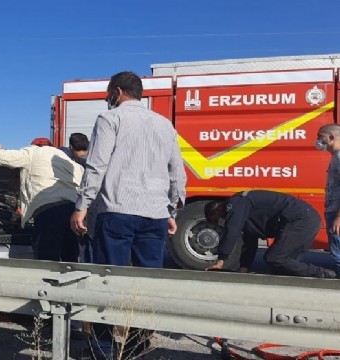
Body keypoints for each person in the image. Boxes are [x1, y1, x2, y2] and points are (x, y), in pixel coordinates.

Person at [69, 71, 187, 360]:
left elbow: (97, 165)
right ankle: (137, 344)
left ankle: (104, 349)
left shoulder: (110, 119)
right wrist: (171, 209)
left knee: (109, 279)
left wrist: (82, 205)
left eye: (110, 93)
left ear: (118, 91)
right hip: (155, 215)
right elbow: (177, 172)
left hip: (118, 211)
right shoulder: (164, 124)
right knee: (147, 282)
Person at [0, 138, 83, 262]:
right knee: (70, 258)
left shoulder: (33, 152)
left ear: (35, 146)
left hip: (49, 211)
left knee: (46, 259)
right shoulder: (68, 160)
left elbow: (5, 157)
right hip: (73, 212)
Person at [205, 190, 336, 278]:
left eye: (218, 219)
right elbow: (249, 242)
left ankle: (321, 273)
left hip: (300, 220)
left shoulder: (236, 203)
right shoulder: (246, 212)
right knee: (283, 270)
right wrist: (244, 269)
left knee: (274, 258)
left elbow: (232, 230)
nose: (222, 221)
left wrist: (220, 260)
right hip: (305, 219)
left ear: (217, 209)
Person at [316, 124, 340, 277]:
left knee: (338, 252)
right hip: (333, 208)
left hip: (336, 210)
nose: (317, 140)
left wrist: (339, 217)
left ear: (331, 137)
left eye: (320, 136)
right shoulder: (335, 156)